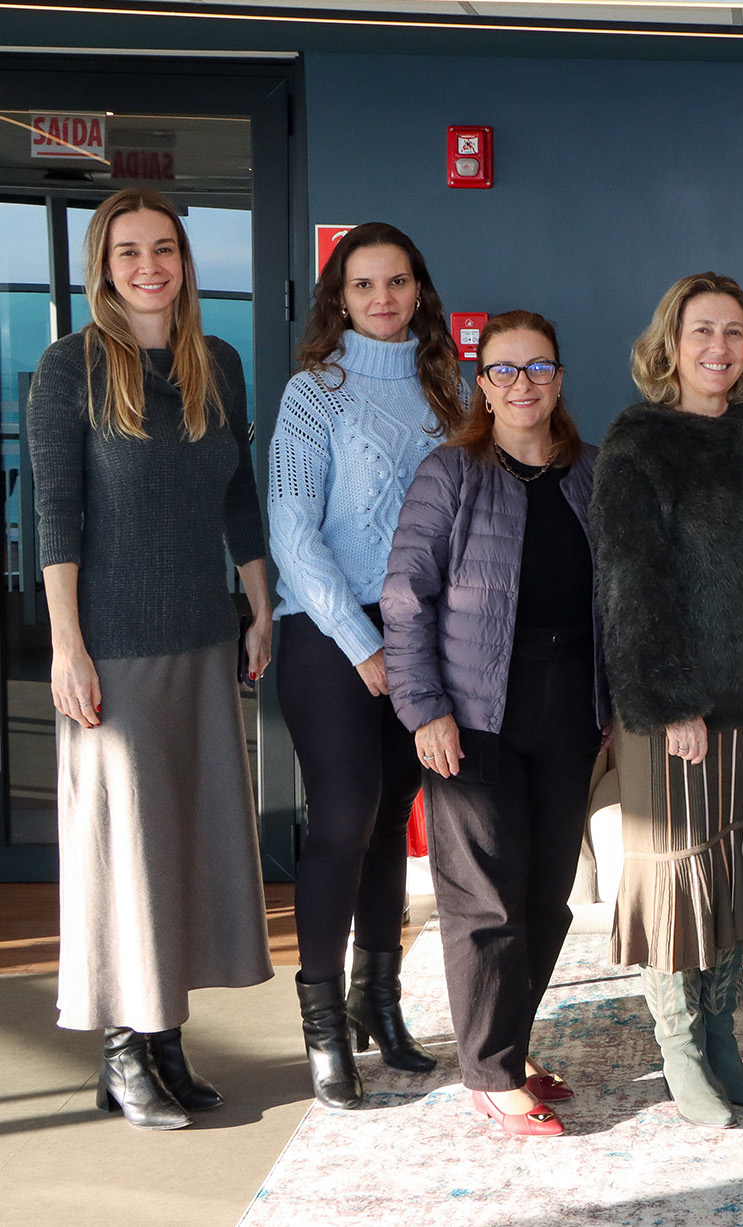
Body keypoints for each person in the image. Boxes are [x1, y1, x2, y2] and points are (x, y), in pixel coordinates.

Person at [29, 188, 273, 1130]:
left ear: (183, 260)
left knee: (187, 841)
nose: (149, 266)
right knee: (125, 850)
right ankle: (124, 1047)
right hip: (115, 652)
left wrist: (259, 605)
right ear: (103, 263)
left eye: (163, 248)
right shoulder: (70, 368)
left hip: (204, 641)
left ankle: (166, 1038)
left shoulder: (219, 363)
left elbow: (238, 497)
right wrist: (67, 647)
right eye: (129, 250)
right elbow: (57, 518)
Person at [593, 272, 743, 1129]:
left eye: (733, 332)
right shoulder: (637, 445)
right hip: (676, 710)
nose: (718, 348)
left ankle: (724, 1039)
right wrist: (666, 698)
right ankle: (681, 1051)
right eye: (702, 331)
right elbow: (628, 583)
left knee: (732, 874)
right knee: (678, 883)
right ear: (670, 344)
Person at [382, 310, 607, 1137]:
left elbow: (615, 594)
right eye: (504, 369)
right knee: (484, 899)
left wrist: (610, 700)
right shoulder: (452, 471)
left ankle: (506, 1042)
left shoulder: (590, 470)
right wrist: (424, 708)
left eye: (538, 367)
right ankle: (487, 1071)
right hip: (470, 711)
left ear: (558, 378)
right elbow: (405, 595)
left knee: (547, 899)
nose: (523, 383)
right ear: (482, 382)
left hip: (567, 703)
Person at [269, 223, 466, 1108]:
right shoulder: (314, 393)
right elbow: (291, 531)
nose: (382, 298)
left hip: (419, 638)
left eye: (397, 282)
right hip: (327, 633)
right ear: (339, 299)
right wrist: (364, 644)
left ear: (419, 291)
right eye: (362, 286)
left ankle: (378, 1005)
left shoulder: (448, 392)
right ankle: (322, 1036)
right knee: (344, 819)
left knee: (393, 819)